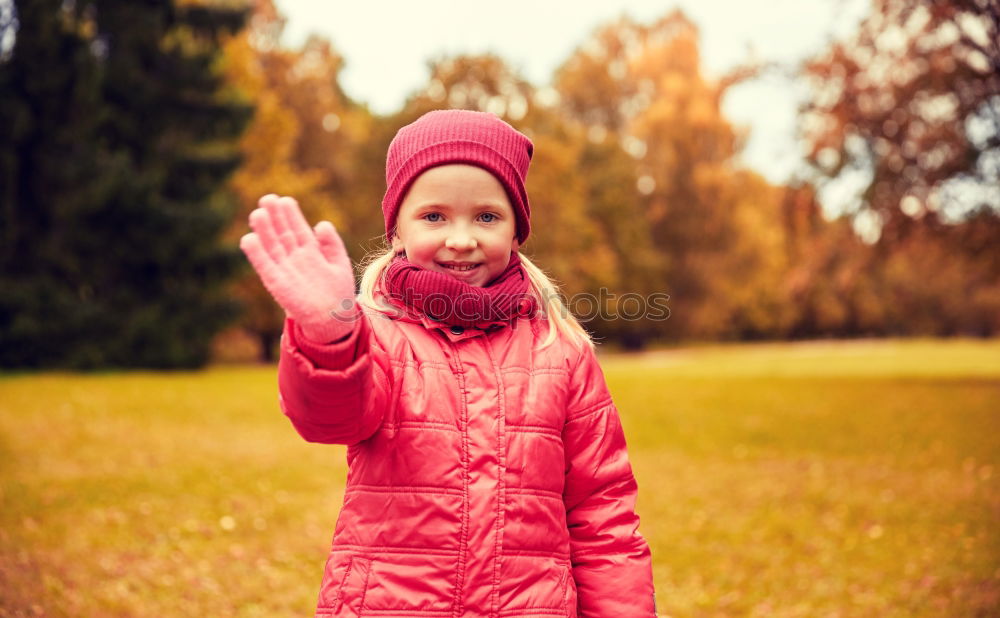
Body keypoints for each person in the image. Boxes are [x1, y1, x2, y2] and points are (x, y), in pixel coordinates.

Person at [240, 109, 656, 617]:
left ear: (517, 232)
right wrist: (329, 334)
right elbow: (330, 417)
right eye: (434, 216)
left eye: (486, 216)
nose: (461, 239)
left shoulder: (560, 351)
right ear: (396, 231)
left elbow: (603, 516)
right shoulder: (378, 337)